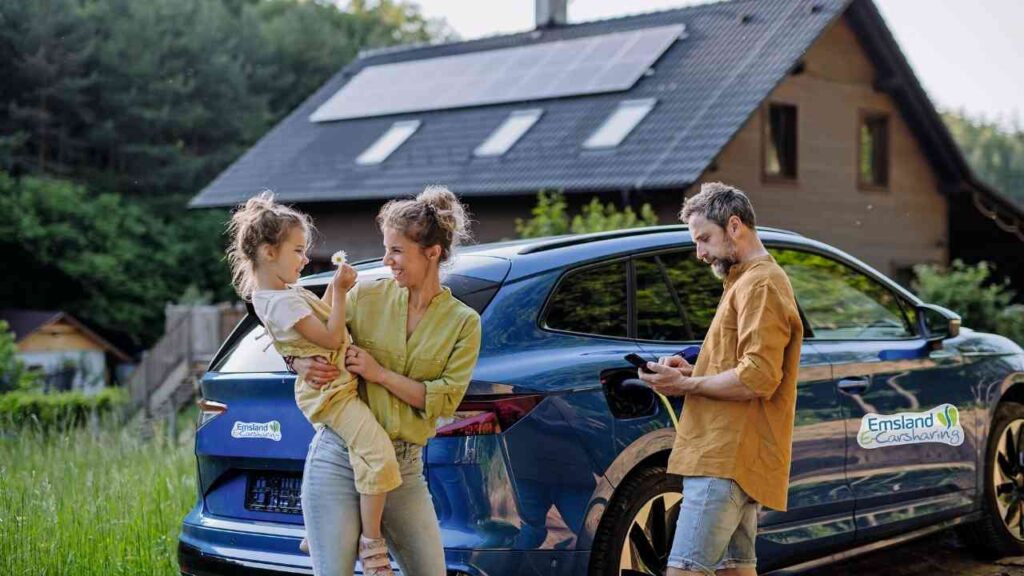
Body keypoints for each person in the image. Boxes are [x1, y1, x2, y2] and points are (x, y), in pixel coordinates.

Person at [291, 185, 482, 576]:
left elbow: (443, 401)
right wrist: (297, 362)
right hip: (339, 457)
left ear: (433, 253)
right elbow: (307, 334)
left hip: (404, 466)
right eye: (386, 248)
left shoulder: (464, 323)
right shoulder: (365, 295)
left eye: (396, 250)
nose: (386, 260)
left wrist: (379, 374)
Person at [225, 192, 400, 576]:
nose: (305, 260)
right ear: (269, 252)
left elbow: (294, 340)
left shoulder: (274, 294)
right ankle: (371, 545)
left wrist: (295, 357)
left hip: (332, 386)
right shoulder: (282, 301)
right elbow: (332, 338)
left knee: (352, 462)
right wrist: (337, 291)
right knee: (379, 456)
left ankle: (318, 527)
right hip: (332, 393)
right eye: (299, 251)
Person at [638, 182, 804, 576]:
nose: (700, 253)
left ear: (734, 226)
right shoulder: (746, 280)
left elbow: (758, 378)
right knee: (735, 570)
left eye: (704, 239)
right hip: (733, 456)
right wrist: (693, 372)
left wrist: (685, 386)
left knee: (685, 570)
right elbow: (745, 366)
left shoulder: (760, 283)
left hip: (724, 458)